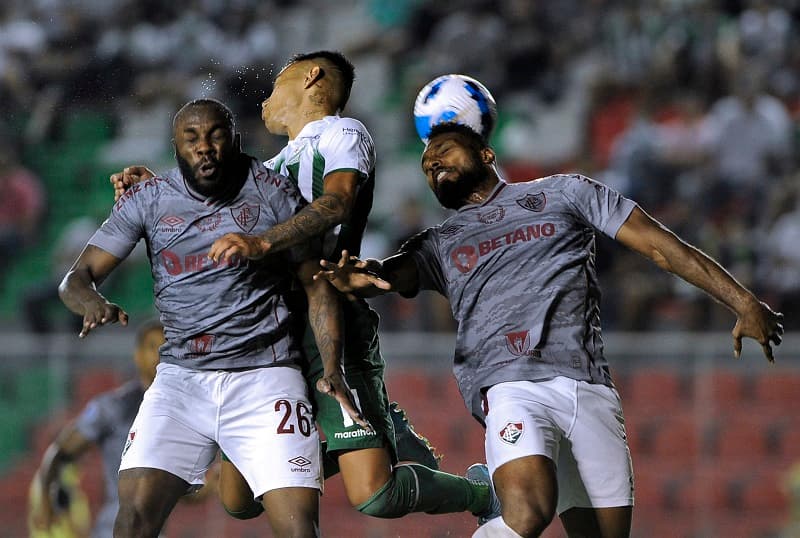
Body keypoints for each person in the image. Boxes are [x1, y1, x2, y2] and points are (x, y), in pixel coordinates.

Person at [315, 122, 785, 538]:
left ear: (486, 155)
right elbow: (374, 276)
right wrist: (345, 267)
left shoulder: (566, 193)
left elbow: (659, 246)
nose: (434, 161)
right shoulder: (438, 242)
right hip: (509, 387)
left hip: (586, 385)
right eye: (426, 163)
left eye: (445, 150)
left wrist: (742, 301)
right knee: (526, 513)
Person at [111, 51, 498, 524]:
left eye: (277, 84)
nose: (267, 99)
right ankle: (381, 430)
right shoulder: (271, 166)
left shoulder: (342, 133)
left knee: (374, 494)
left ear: (311, 78)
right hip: (264, 340)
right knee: (238, 498)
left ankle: (479, 492)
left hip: (330, 319)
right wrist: (157, 189)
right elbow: (215, 218)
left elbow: (336, 203)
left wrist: (263, 240)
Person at [60, 98, 364, 537]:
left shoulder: (274, 195)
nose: (205, 147)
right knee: (132, 520)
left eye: (215, 135)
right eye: (191, 138)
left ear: (235, 140)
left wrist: (331, 366)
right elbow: (75, 277)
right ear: (176, 147)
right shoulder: (148, 199)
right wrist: (91, 301)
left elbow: (316, 284)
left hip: (265, 378)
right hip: (181, 380)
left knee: (299, 531)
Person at [30, 321, 167, 537]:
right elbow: (60, 452)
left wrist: (203, 490)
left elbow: (168, 488)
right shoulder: (113, 407)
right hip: (113, 528)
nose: (159, 356)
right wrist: (46, 501)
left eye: (165, 348)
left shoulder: (177, 413)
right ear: (137, 355)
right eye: (152, 347)